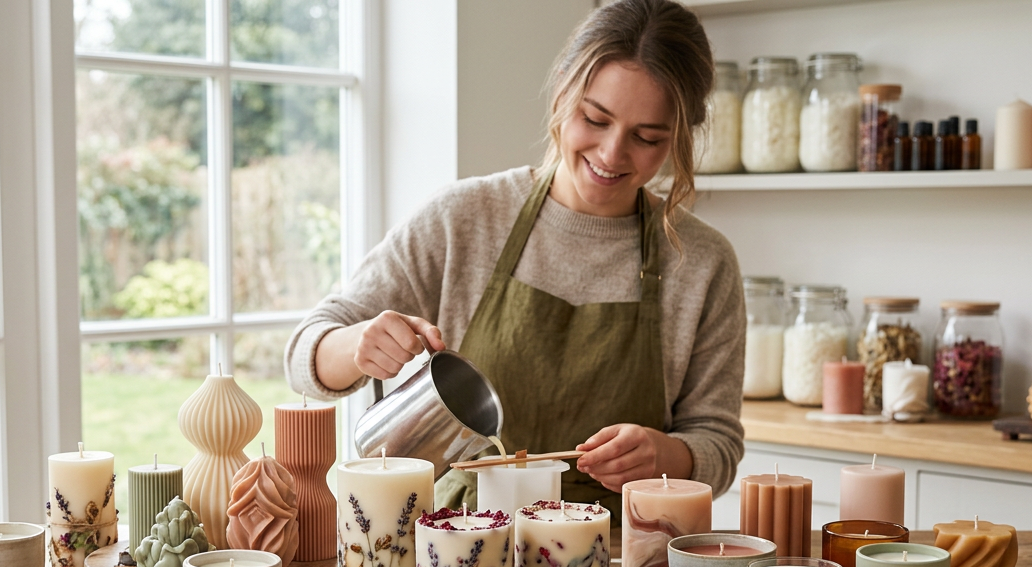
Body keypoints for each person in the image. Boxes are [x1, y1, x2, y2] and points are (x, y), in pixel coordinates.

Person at [285, 0, 744, 513]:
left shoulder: (703, 263)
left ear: (679, 138)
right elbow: (305, 353)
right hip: (456, 551)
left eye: (646, 137)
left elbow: (718, 442)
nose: (613, 154)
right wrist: (358, 346)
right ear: (562, 93)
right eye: (595, 119)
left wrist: (670, 454)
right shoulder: (464, 218)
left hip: (612, 556)